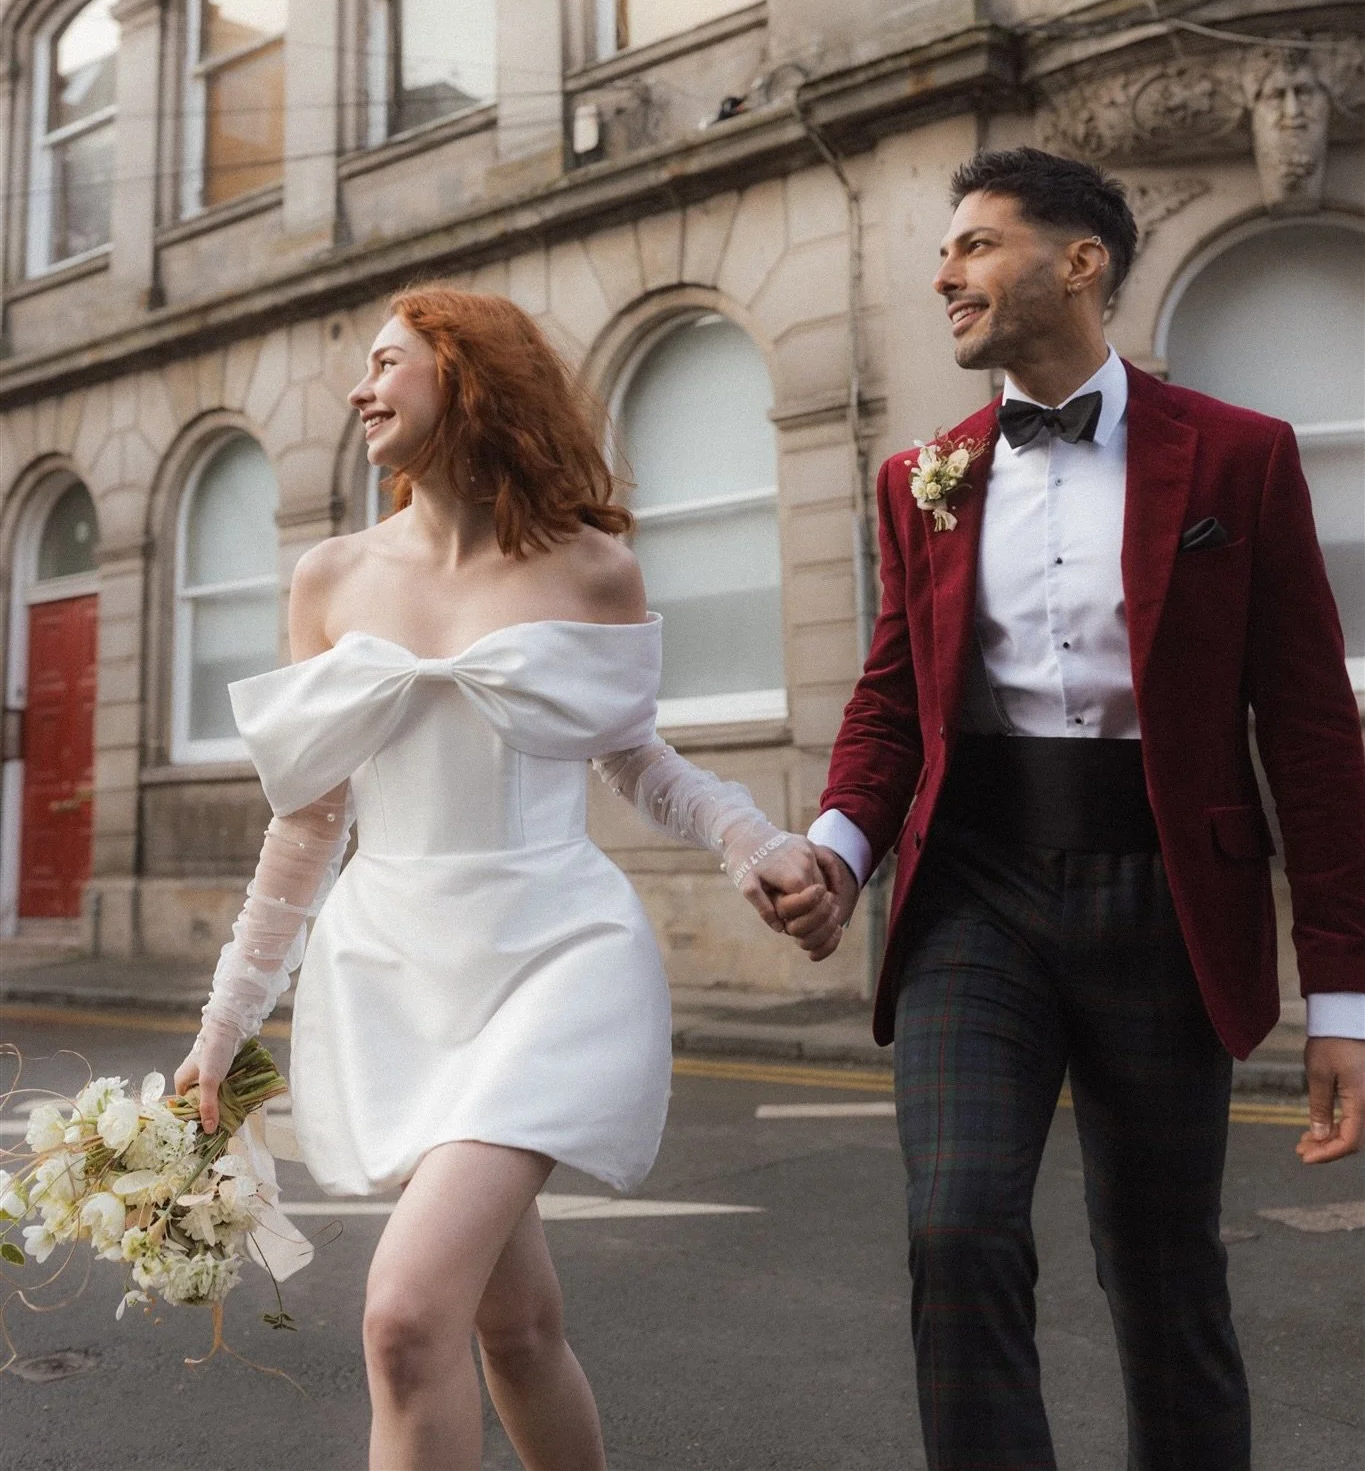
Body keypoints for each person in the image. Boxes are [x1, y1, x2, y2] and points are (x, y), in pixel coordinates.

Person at [175, 287, 834, 1471]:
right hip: (394, 973)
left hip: (554, 955)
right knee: (518, 1329)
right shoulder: (328, 579)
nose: (361, 389)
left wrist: (754, 840)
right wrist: (224, 1026)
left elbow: (635, 754)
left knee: (403, 1315)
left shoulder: (593, 570)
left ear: (465, 375)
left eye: (387, 363)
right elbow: (307, 818)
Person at [786, 147, 1365, 1470]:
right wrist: (835, 841)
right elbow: (889, 705)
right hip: (973, 896)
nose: (945, 273)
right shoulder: (920, 477)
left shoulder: (1238, 457)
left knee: (1164, 1267)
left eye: (977, 244)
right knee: (956, 1226)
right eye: (945, 250)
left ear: (1079, 261)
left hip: (1165, 895)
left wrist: (1345, 1000)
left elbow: (1317, 742)